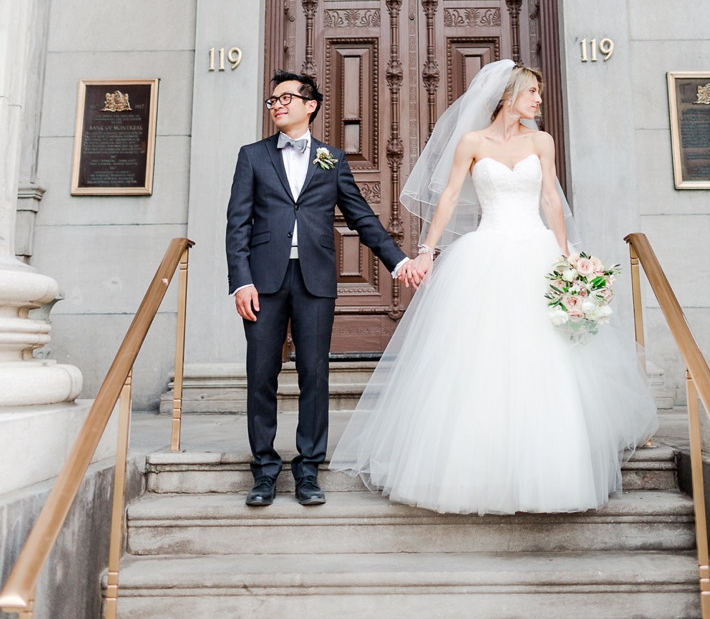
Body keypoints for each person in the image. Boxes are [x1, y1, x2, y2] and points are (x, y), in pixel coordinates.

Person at [330, 59, 658, 515]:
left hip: (536, 252)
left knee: (545, 356)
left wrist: (568, 258)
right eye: (532, 92)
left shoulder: (542, 141)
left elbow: (550, 199)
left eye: (539, 93)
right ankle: (474, 472)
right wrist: (426, 249)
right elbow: (448, 196)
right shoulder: (472, 142)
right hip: (485, 254)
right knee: (481, 359)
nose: (539, 100)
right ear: (507, 95)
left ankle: (553, 470)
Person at [226, 70, 413, 508]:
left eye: (287, 97)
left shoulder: (332, 158)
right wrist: (242, 281)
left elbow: (360, 216)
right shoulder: (252, 156)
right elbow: (237, 223)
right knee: (261, 376)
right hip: (264, 281)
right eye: (272, 100)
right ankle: (265, 471)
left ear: (311, 105)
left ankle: (309, 470)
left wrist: (398, 261)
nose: (277, 105)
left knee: (314, 374)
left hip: (315, 280)